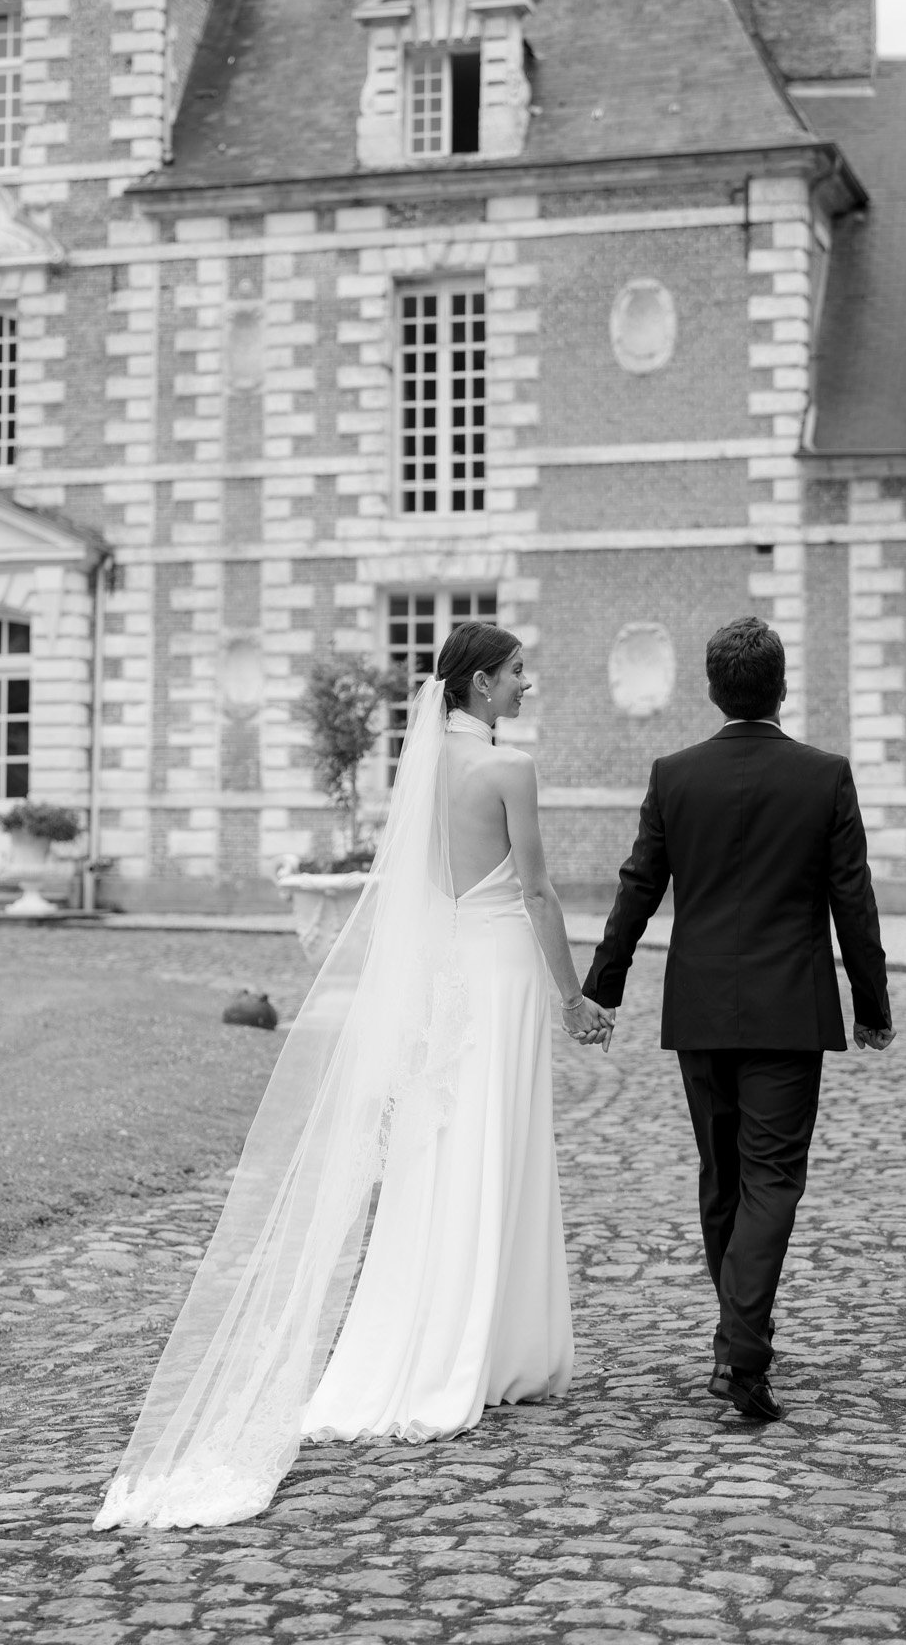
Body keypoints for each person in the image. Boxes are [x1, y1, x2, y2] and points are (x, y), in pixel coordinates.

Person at [94, 622, 612, 1530]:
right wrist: (574, 997)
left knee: (442, 1147)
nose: (529, 684)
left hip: (444, 974)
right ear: (482, 685)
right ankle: (488, 1353)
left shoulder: (421, 774)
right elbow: (534, 891)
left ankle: (441, 1342)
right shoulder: (507, 768)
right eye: (519, 672)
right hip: (496, 973)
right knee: (499, 1142)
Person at [584, 615, 894, 1422]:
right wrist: (872, 1006)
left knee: (723, 1178)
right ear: (781, 686)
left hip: (700, 1007)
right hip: (788, 1010)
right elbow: (850, 899)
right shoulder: (824, 776)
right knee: (770, 1180)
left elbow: (637, 886)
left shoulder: (674, 774)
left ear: (712, 690)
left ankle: (736, 1342)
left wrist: (603, 986)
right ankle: (743, 1350)